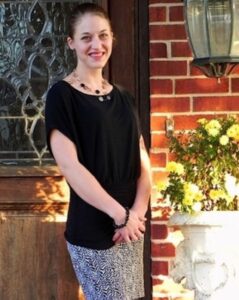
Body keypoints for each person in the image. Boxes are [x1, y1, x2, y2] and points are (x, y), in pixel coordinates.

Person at [45, 2, 151, 300]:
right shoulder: (61, 96)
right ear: (71, 43)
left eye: (103, 36)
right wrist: (120, 215)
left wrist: (137, 214)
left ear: (112, 39)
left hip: (131, 226)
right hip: (94, 224)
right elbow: (71, 167)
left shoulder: (124, 97)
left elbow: (143, 161)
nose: (97, 44)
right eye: (86, 37)